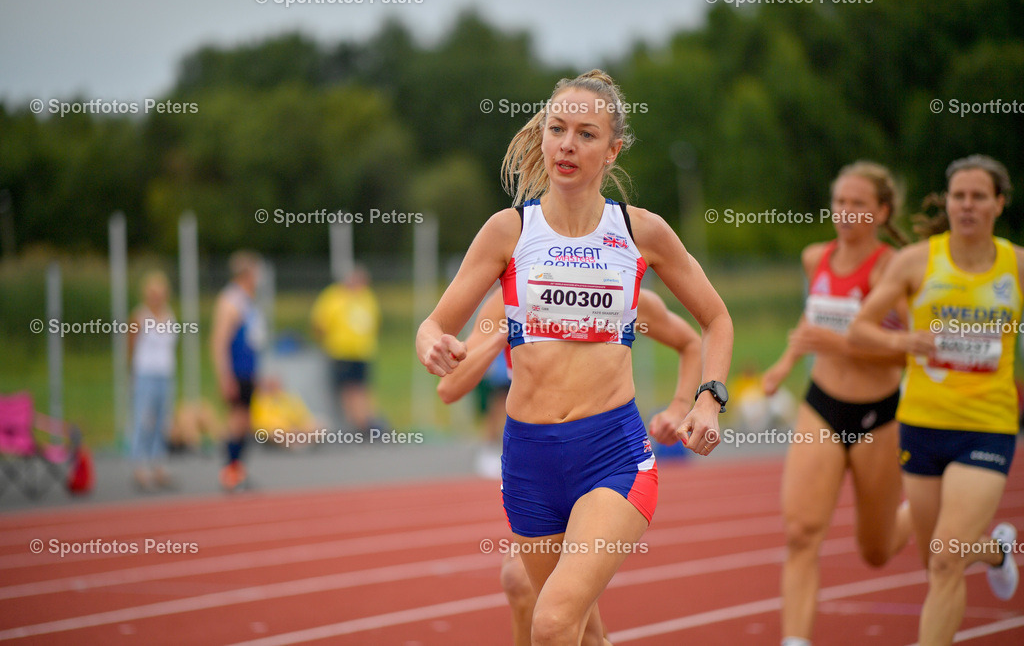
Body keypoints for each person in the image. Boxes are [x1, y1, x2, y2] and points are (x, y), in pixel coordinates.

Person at [417, 69, 733, 645]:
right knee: (579, 631)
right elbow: (434, 326)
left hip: (611, 452)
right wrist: (434, 342)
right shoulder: (508, 233)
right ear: (542, 138)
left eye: (586, 134)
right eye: (557, 129)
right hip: (530, 458)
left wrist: (704, 401)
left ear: (612, 151)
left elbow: (714, 321)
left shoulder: (641, 233)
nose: (567, 144)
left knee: (553, 621)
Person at [437, 285, 702, 645]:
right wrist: (505, 331)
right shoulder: (509, 295)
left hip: (605, 460)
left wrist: (679, 405)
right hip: (535, 464)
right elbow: (449, 388)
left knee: (548, 611)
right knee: (554, 611)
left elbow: (690, 341)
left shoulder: (615, 281)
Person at [849, 155, 1020, 645]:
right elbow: (861, 327)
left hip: (988, 427)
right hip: (922, 427)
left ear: (998, 204)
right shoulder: (917, 261)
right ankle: (996, 554)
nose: (967, 205)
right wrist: (904, 342)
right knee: (934, 559)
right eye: (958, 196)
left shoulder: (1016, 266)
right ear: (948, 203)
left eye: (978, 196)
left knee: (946, 558)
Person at [761, 162, 915, 646]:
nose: (845, 213)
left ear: (882, 211)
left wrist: (845, 347)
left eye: (858, 204)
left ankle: (928, 513)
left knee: (877, 549)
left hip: (877, 414)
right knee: (802, 531)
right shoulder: (815, 258)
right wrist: (785, 364)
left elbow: (912, 345)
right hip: (822, 405)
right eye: (840, 203)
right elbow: (814, 323)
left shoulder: (896, 266)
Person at [211, 251, 265, 491]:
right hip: (237, 372)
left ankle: (237, 470)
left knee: (246, 422)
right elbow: (219, 341)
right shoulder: (231, 301)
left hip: (249, 371)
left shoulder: (247, 300)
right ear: (247, 274)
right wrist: (225, 376)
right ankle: (230, 471)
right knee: (236, 422)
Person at [311, 265, 382, 432]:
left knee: (362, 388)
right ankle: (358, 426)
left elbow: (375, 322)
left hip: (363, 352)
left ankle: (366, 422)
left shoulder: (367, 297)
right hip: (341, 351)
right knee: (349, 390)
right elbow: (319, 324)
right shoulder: (333, 297)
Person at [128, 271, 178, 491]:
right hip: (145, 374)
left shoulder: (170, 315)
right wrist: (132, 372)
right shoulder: (139, 316)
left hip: (165, 374)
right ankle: (139, 466)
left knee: (162, 420)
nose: (157, 297)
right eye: (153, 293)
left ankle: (158, 464)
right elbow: (130, 345)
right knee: (142, 419)